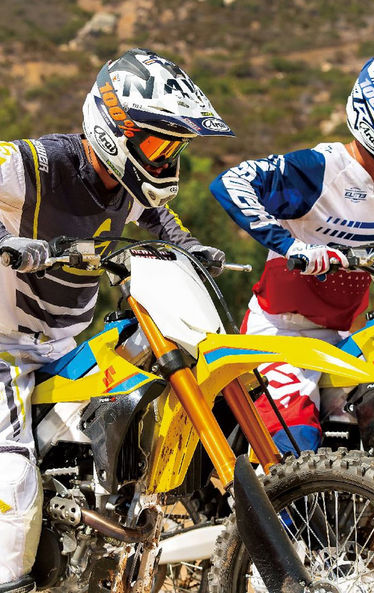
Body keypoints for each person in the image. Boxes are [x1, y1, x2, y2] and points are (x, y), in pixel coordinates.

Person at [0, 48, 234, 590]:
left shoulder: (128, 186)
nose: (166, 158)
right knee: (14, 476)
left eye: (173, 147)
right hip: (3, 347)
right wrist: (9, 242)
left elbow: (159, 218)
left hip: (62, 344)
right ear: (113, 128)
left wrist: (191, 248)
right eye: (157, 144)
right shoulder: (33, 164)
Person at [210, 51, 374, 454]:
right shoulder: (319, 169)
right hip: (283, 335)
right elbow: (230, 182)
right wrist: (293, 247)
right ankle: (270, 491)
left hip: (345, 335)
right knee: (296, 444)